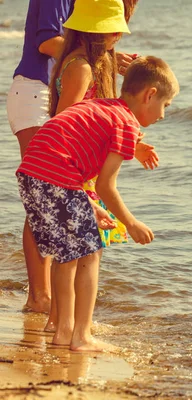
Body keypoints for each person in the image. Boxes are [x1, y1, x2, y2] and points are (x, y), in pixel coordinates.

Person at [16, 55, 179, 351]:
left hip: (32, 173)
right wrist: (131, 223)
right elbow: (105, 185)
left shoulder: (104, 107)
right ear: (150, 95)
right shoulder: (126, 123)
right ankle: (81, 336)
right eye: (165, 106)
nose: (163, 115)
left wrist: (90, 206)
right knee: (90, 253)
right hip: (54, 177)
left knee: (67, 255)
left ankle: (63, 330)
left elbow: (67, 158)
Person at [42, 0, 159, 333]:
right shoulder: (81, 67)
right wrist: (74, 181)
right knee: (82, 250)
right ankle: (72, 324)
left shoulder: (94, 63)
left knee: (77, 249)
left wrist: (132, 146)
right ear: (98, 32)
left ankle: (64, 321)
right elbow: (64, 123)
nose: (116, 39)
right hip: (74, 170)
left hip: (82, 168)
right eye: (112, 33)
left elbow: (102, 119)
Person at [6, 0, 73, 314]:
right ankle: (39, 298)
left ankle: (43, 295)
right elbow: (47, 41)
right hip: (35, 93)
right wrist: (95, 55)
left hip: (44, 94)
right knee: (42, 197)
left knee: (49, 197)